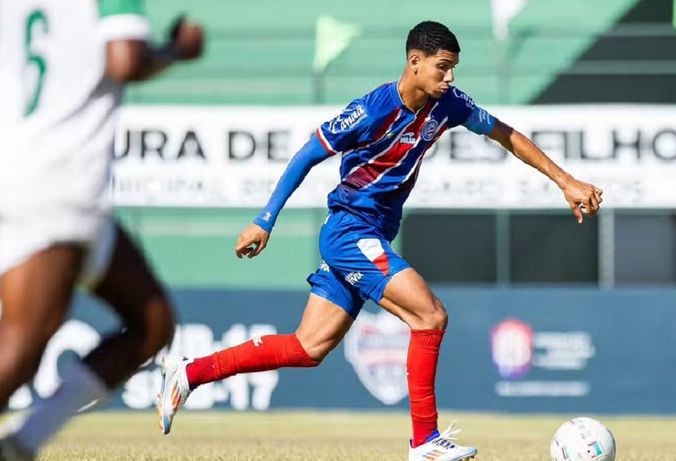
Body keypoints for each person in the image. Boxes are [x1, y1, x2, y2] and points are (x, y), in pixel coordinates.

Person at [157, 21, 602, 461]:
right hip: (351, 232)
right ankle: (425, 442)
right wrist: (264, 221)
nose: (451, 78)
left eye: (454, 69)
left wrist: (564, 181)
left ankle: (188, 373)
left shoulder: (447, 105)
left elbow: (505, 134)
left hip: (369, 235)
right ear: (415, 62)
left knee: (308, 347)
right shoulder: (371, 109)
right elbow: (307, 155)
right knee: (429, 316)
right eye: (443, 67)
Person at [0, 1, 204, 459]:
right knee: (22, 346)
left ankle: (22, 443)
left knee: (151, 323)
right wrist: (177, 49)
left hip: (24, 164)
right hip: (59, 176)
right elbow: (125, 59)